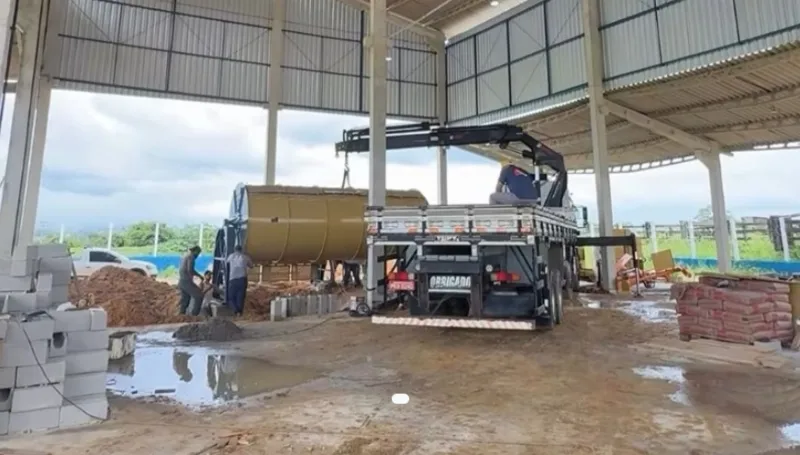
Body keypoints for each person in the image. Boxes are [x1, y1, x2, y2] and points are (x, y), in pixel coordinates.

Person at [226, 245, 253, 316]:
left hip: (233, 279)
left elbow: (227, 263)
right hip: (242, 279)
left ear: (234, 250)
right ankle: (239, 312)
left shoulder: (231, 256)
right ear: (241, 250)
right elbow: (251, 266)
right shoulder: (245, 257)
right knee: (240, 297)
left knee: (231, 297)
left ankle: (235, 310)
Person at [178, 246, 205, 316]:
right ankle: (194, 316)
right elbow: (190, 270)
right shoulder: (191, 257)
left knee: (185, 299)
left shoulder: (185, 256)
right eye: (198, 253)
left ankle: (181, 315)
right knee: (199, 296)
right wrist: (199, 276)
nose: (198, 255)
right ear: (195, 251)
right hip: (186, 281)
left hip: (181, 281)